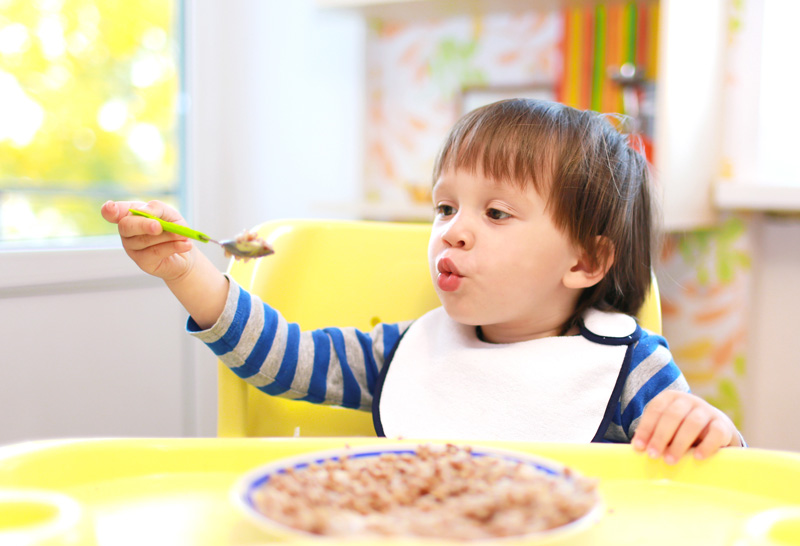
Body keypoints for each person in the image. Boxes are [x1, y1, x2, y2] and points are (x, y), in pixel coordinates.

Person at [101, 98, 743, 464]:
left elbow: (708, 476)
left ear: (585, 263)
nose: (453, 231)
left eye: (495, 213)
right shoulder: (406, 350)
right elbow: (284, 360)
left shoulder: (630, 366)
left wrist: (711, 431)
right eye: (445, 208)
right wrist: (186, 272)